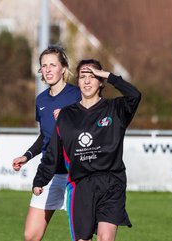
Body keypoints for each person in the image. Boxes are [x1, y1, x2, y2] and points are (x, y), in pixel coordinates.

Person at [33, 59, 141, 241]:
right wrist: (40, 179)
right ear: (78, 82)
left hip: (112, 183)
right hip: (81, 184)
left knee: (105, 238)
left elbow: (135, 95)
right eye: (83, 77)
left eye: (93, 76)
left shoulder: (115, 109)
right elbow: (53, 151)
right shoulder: (67, 115)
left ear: (101, 82)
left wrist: (109, 75)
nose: (87, 81)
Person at [12, 46, 81, 241]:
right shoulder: (41, 100)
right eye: (44, 66)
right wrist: (26, 156)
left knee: (82, 237)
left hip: (75, 175)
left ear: (64, 69)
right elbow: (45, 135)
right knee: (30, 235)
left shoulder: (77, 96)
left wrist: (68, 118)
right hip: (49, 174)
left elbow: (87, 131)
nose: (48, 69)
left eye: (53, 65)